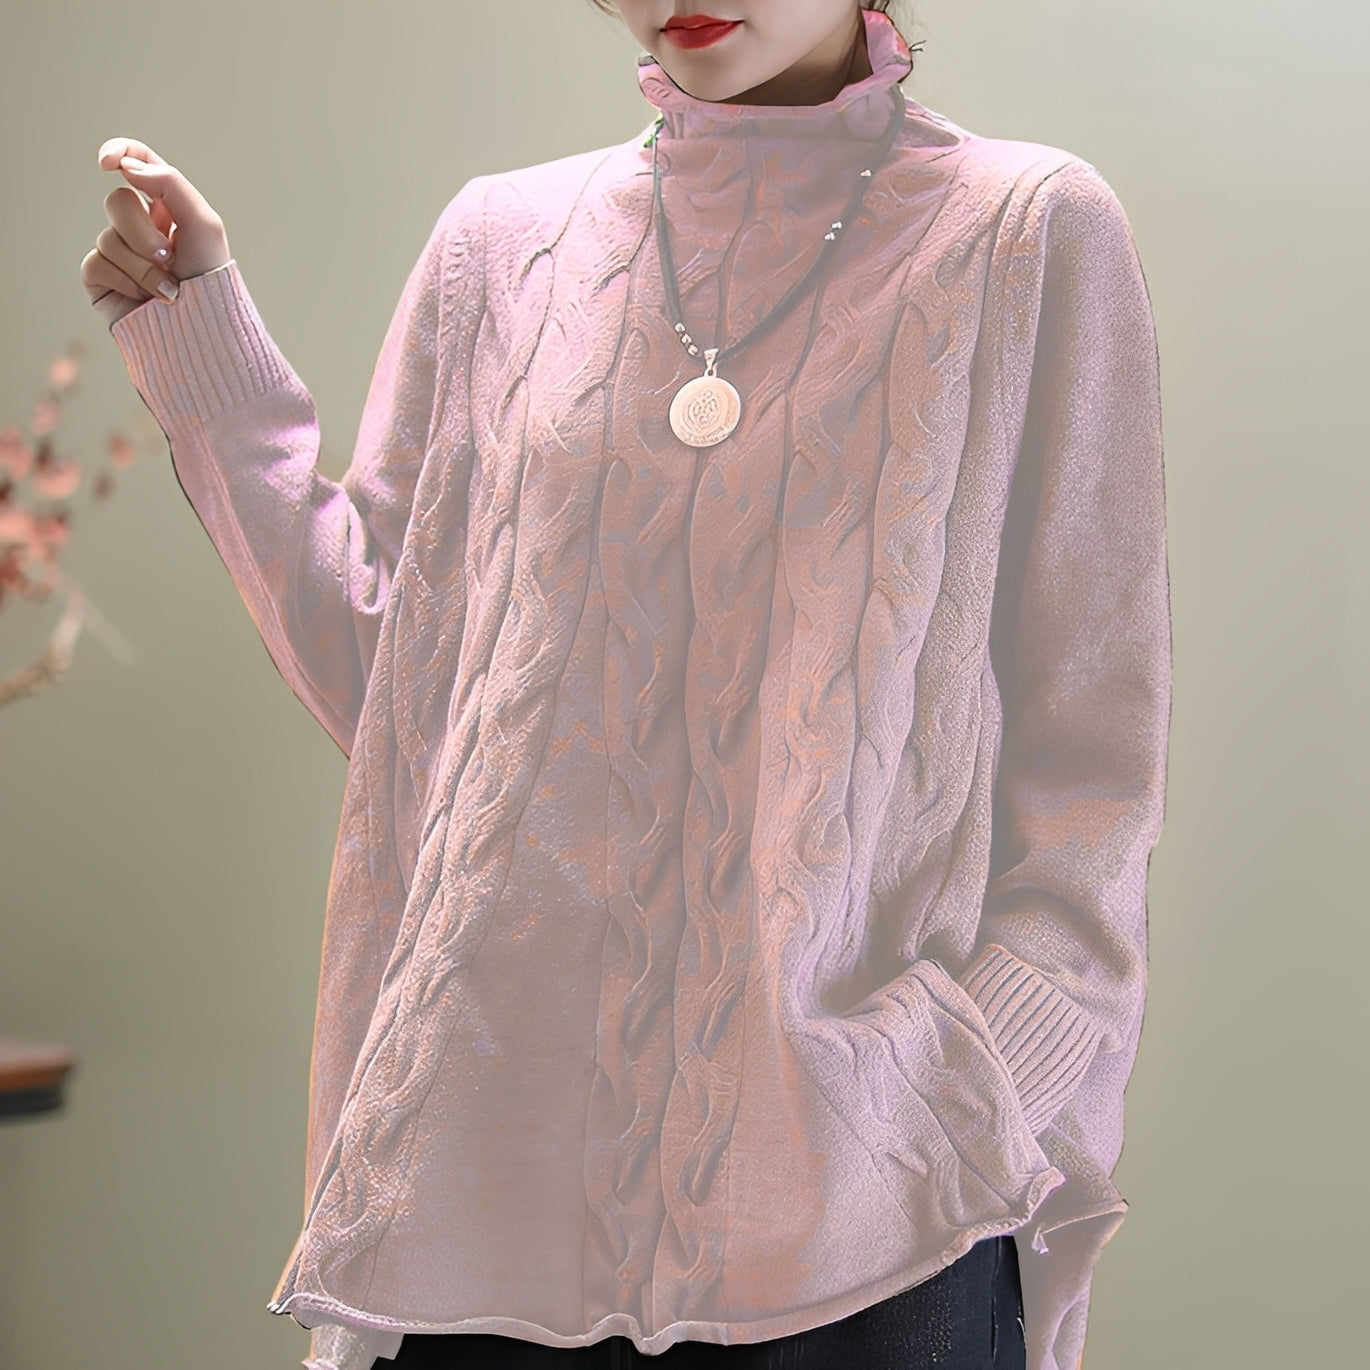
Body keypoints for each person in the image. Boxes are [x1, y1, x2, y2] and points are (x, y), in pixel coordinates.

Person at [81, 3, 1171, 1368]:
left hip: (873, 1213)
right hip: (487, 1193)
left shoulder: (1025, 232)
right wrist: (209, 367)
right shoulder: (499, 244)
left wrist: (952, 1095)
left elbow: (1094, 757)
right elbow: (413, 710)